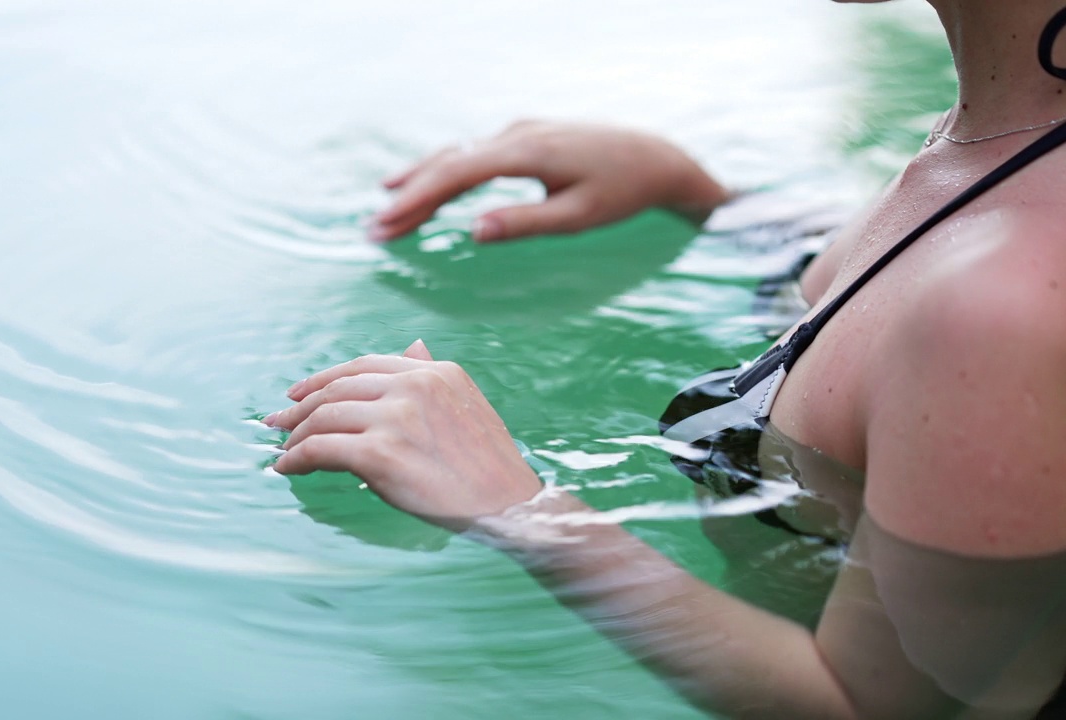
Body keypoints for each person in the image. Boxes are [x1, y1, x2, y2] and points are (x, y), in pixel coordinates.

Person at [262, 1, 1066, 717]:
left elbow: (872, 708)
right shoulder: (1009, 131)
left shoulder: (1007, 307)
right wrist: (698, 193)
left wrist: (522, 510)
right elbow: (887, 293)